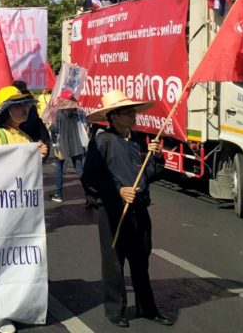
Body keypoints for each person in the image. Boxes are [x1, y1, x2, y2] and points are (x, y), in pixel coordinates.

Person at [81, 90, 173, 327]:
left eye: (134, 111)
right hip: (113, 211)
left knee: (141, 261)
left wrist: (157, 158)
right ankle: (115, 310)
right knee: (114, 262)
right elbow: (90, 177)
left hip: (140, 210)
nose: (134, 115)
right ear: (114, 116)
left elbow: (150, 174)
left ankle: (148, 308)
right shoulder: (102, 141)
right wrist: (118, 191)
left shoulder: (140, 140)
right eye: (128, 112)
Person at [0, 86, 49, 158]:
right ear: (6, 111)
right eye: (18, 105)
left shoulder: (26, 137)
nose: (25, 108)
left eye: (25, 104)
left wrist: (37, 156)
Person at [49, 90, 89, 204]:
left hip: (61, 144)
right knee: (80, 170)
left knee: (59, 169)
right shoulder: (79, 112)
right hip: (77, 143)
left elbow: (54, 129)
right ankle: (89, 194)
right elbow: (85, 126)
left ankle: (58, 194)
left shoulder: (57, 113)